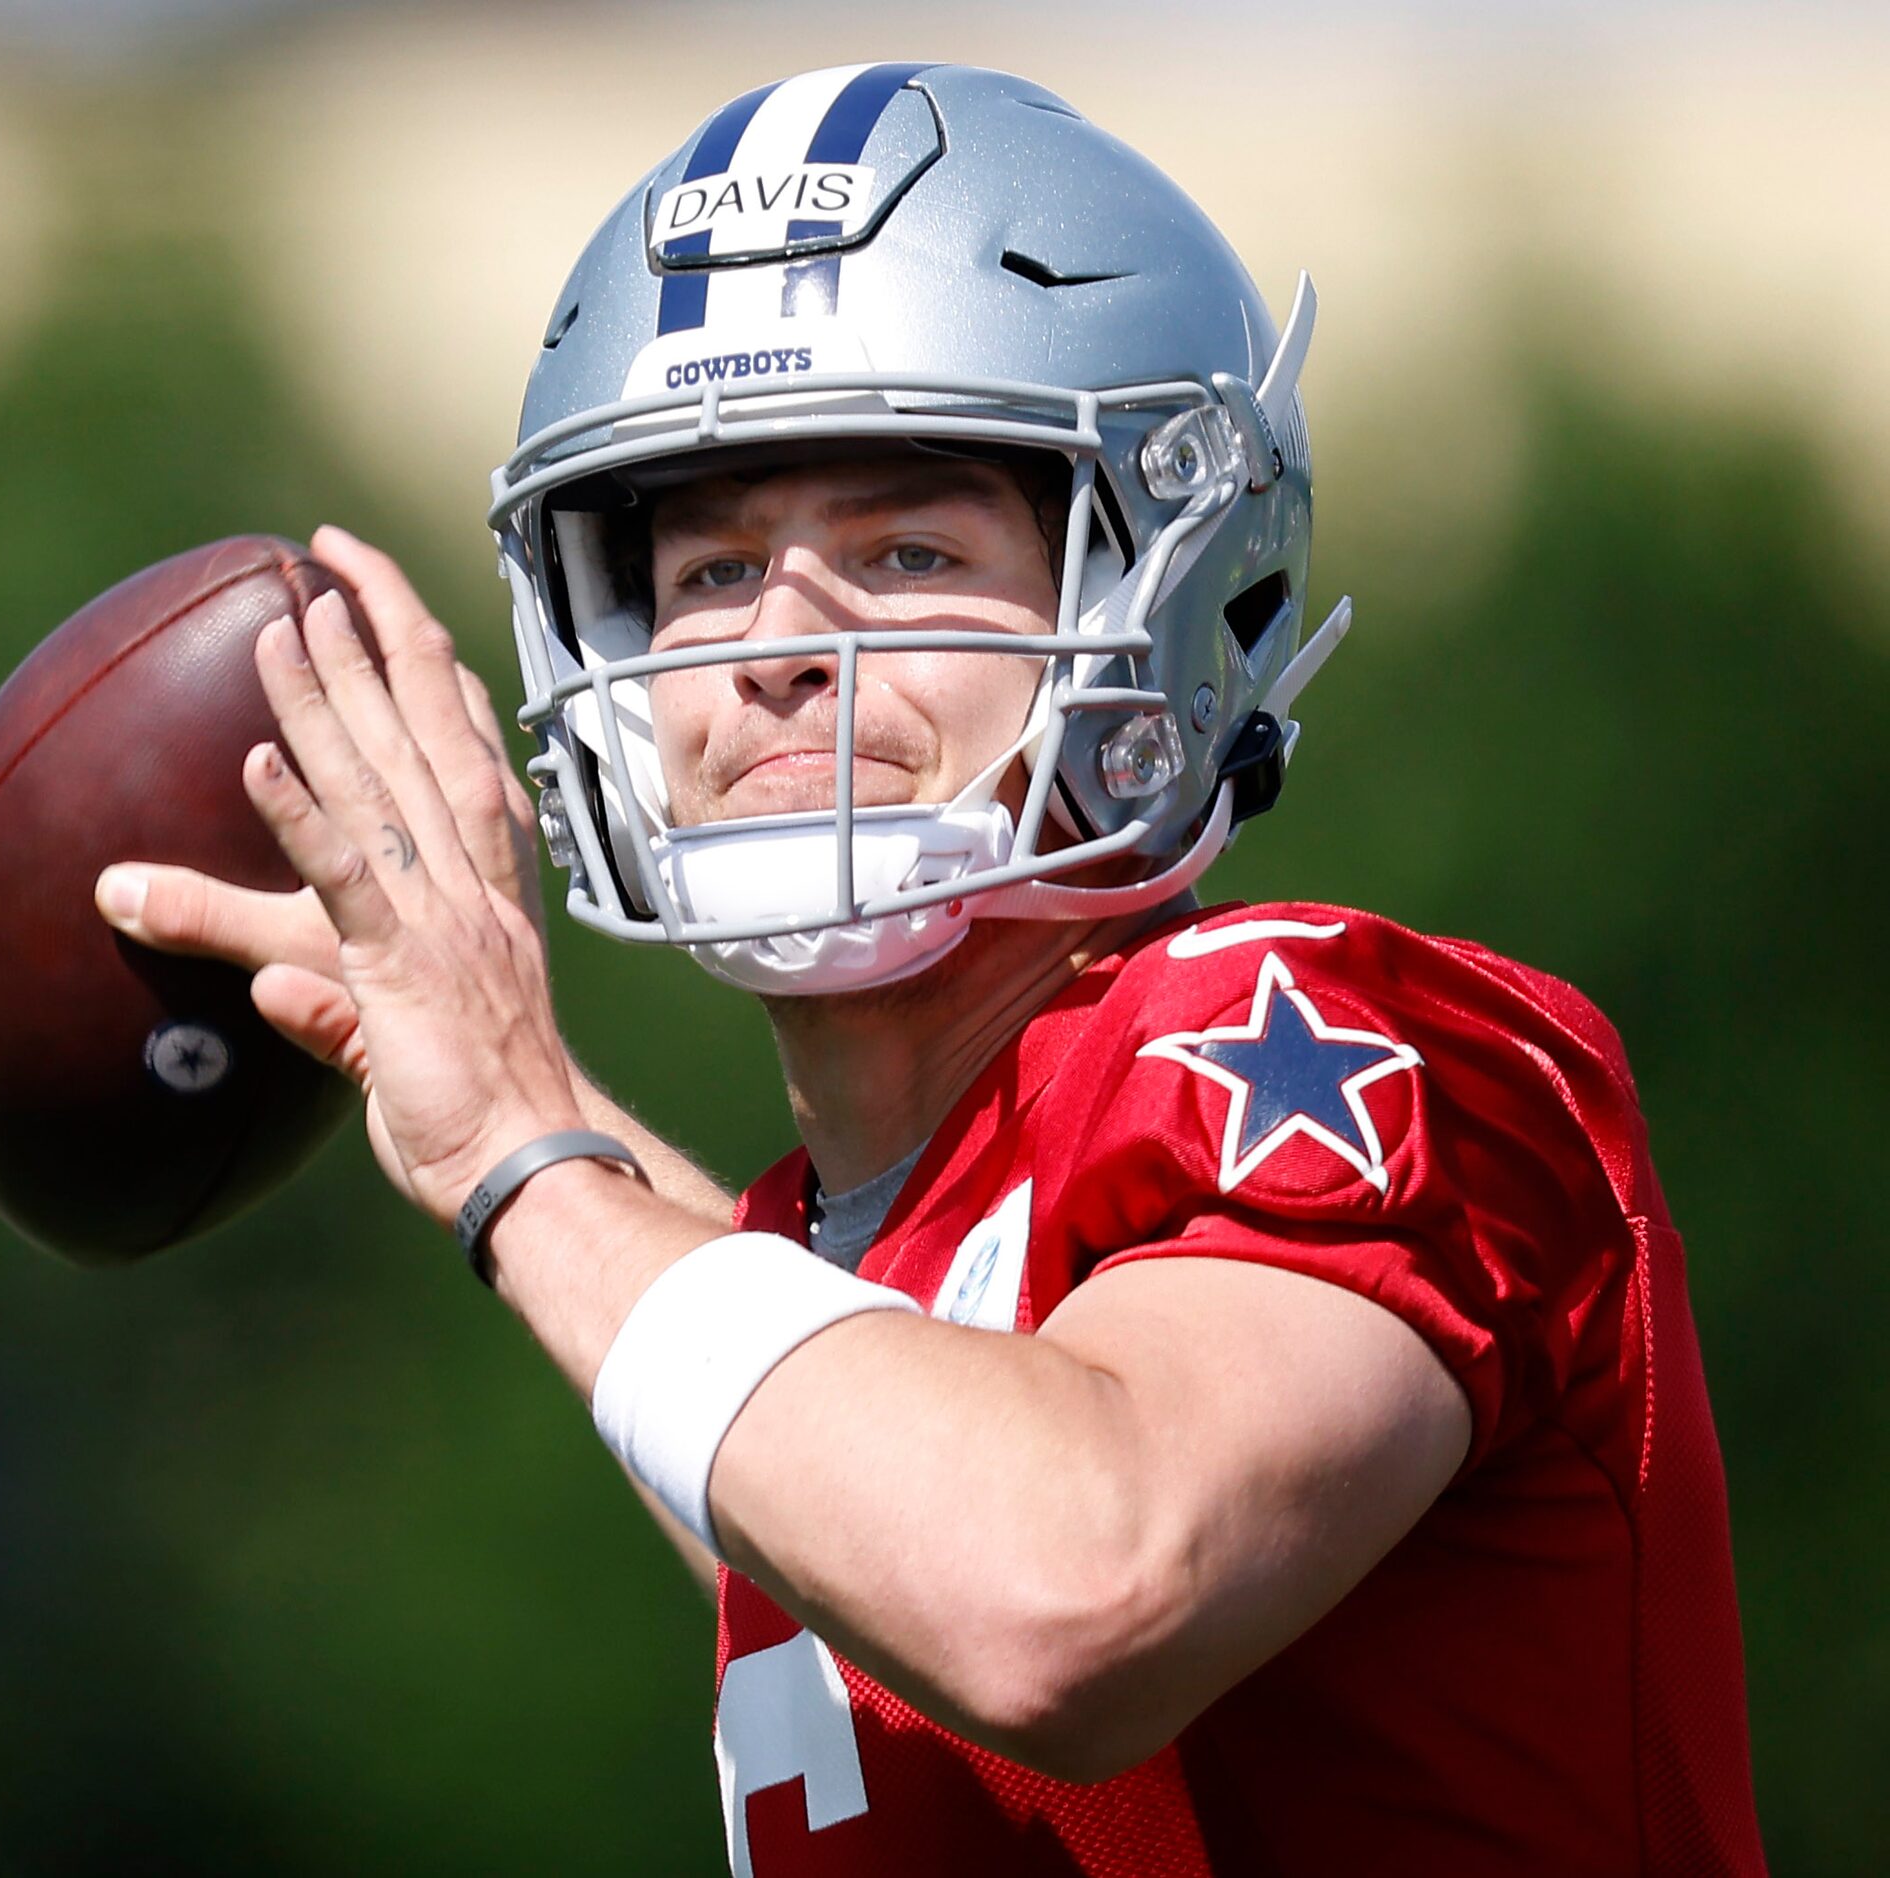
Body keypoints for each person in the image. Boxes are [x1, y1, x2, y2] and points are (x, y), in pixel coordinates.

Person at [92, 62, 1767, 1875]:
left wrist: (523, 1143)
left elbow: (1073, 1587)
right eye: (711, 569)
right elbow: (847, 1466)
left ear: (1157, 583)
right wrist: (485, 1088)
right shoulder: (830, 1270)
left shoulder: (1354, 1033)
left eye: (903, 550)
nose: (773, 652)